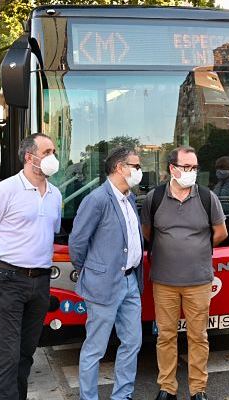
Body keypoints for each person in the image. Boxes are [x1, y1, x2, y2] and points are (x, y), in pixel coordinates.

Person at [0, 133, 62, 400]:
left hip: (40, 283)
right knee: (7, 357)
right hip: (7, 281)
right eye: (46, 152)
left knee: (25, 354)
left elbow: (49, 233)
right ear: (29, 157)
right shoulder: (6, 189)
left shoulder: (55, 195)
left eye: (53, 151)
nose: (52, 157)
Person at [141, 146, 228, 400]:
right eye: (186, 167)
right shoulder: (154, 198)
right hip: (164, 282)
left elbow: (220, 232)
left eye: (194, 168)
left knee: (198, 337)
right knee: (165, 336)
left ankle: (198, 389)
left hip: (198, 282)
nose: (191, 172)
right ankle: (167, 387)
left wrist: (197, 247)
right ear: (172, 169)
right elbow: (148, 232)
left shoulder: (207, 197)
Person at [69, 147, 144, 400]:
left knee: (132, 342)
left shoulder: (130, 197)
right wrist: (92, 272)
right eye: (135, 165)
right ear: (120, 168)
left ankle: (122, 396)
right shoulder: (97, 199)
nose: (139, 170)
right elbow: (77, 243)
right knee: (95, 348)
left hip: (131, 282)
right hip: (103, 285)